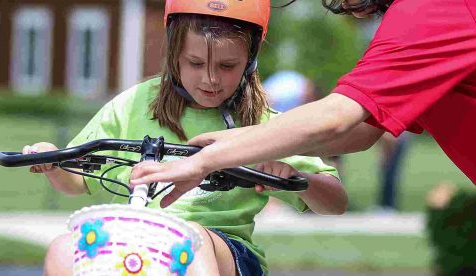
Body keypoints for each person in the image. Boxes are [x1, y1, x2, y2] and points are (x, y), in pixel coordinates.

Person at [129, 0, 476, 275]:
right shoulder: (413, 19)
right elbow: (363, 132)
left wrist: (206, 159)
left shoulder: (437, 9)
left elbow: (337, 119)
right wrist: (271, 162)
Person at [22, 0, 347, 275]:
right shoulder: (133, 104)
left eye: (227, 65)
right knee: (64, 248)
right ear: (174, 51)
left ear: (250, 59)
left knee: (188, 241)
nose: (210, 78)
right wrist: (54, 163)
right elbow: (77, 182)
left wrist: (297, 178)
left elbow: (335, 202)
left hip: (224, 251)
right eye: (195, 63)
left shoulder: (263, 123)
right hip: (133, 239)